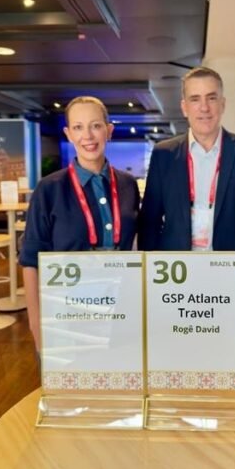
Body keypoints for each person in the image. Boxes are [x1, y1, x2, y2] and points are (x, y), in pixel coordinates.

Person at [19, 96, 140, 349]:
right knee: (76, 370)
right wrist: (36, 323)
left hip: (121, 306)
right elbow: (30, 259)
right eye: (78, 127)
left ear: (109, 131)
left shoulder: (128, 185)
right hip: (67, 309)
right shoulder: (49, 189)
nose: (88, 135)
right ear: (69, 134)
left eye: (95, 126)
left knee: (118, 367)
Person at [139, 67, 235, 268]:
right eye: (195, 99)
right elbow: (150, 222)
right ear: (184, 107)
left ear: (222, 104)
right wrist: (149, 274)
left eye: (211, 98)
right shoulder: (163, 154)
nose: (204, 108)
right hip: (175, 271)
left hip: (230, 270)